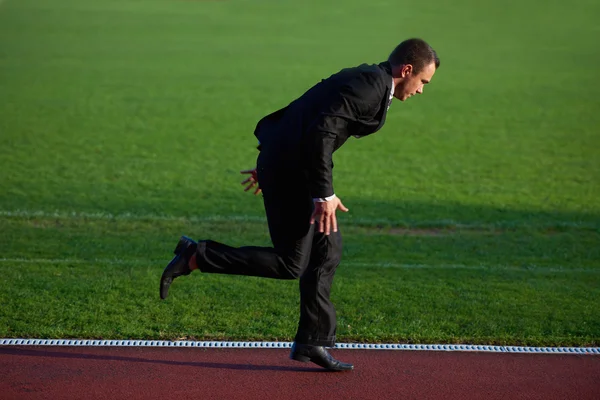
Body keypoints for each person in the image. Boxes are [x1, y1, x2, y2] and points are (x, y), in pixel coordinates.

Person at [160, 38, 440, 371]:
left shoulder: (372, 81)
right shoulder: (370, 85)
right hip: (295, 172)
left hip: (292, 165)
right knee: (291, 263)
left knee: (327, 252)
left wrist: (276, 154)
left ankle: (313, 341)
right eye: (423, 81)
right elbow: (321, 130)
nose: (422, 90)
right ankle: (196, 256)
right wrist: (321, 193)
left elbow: (307, 109)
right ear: (406, 70)